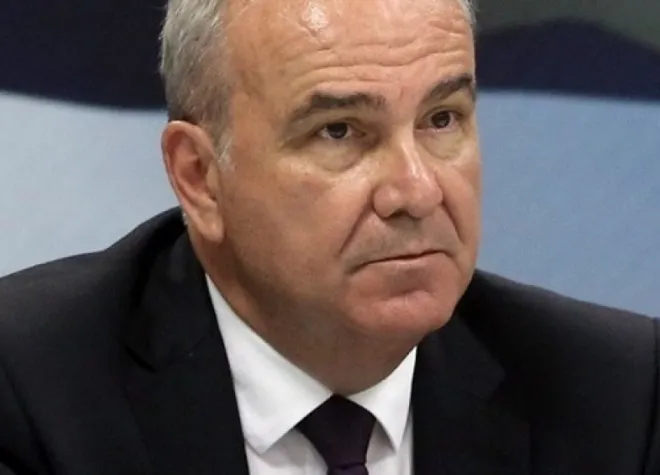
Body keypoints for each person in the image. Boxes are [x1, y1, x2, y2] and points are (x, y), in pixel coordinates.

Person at [0, 0, 658, 473]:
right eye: (339, 131)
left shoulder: (614, 401)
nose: (417, 192)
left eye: (441, 118)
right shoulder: (31, 395)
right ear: (199, 177)